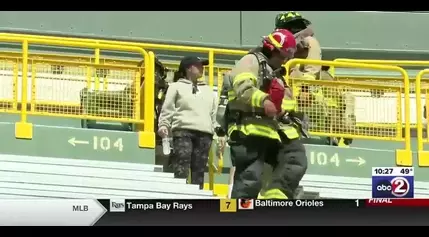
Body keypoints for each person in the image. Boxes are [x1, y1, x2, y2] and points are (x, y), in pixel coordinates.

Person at [224, 29, 308, 199]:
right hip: (247, 130)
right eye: (283, 56)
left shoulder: (275, 73)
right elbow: (243, 88)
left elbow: (287, 101)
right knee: (250, 178)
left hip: (272, 131)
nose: (285, 61)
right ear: (272, 49)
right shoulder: (250, 61)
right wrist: (264, 101)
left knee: (295, 159)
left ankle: (276, 199)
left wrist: (285, 109)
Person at [157, 56, 217, 189]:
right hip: (183, 130)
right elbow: (168, 108)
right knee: (181, 166)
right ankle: (179, 199)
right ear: (188, 68)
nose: (202, 68)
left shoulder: (208, 90)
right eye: (199, 65)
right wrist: (163, 124)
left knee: (199, 170)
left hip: (205, 133)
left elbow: (213, 115)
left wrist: (217, 134)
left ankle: (196, 202)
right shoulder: (176, 87)